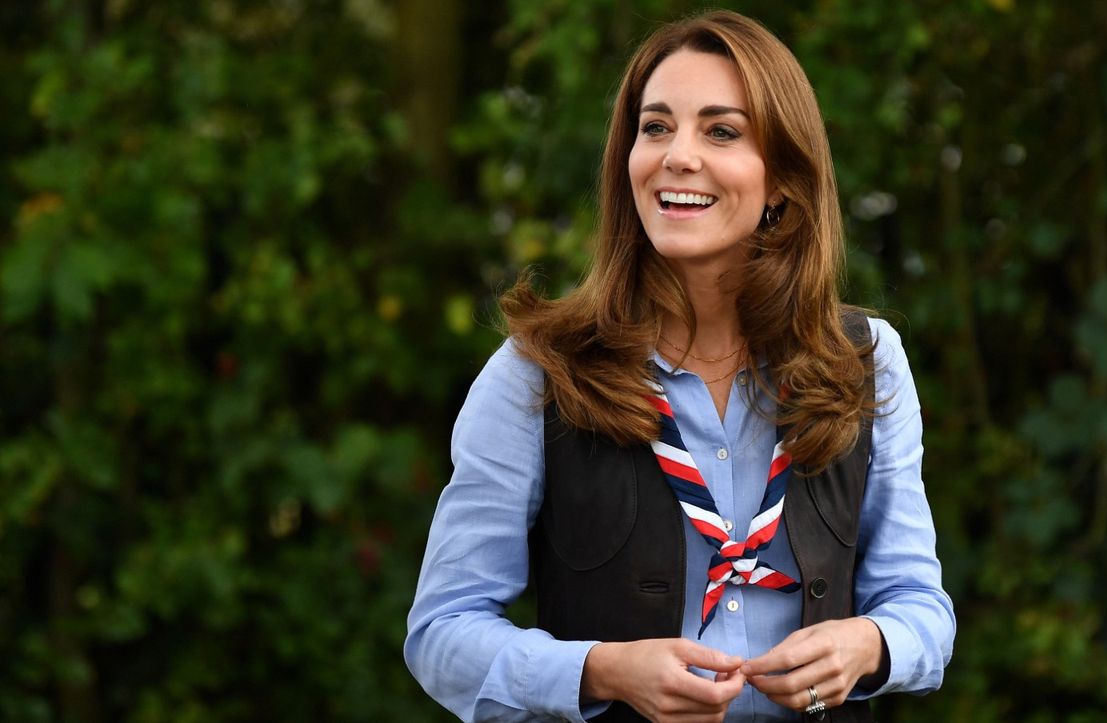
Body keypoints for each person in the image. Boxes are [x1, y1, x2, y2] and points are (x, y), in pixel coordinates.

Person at [405, 10, 954, 722]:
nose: (676, 155)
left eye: (720, 131)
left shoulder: (867, 360)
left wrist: (871, 643)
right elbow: (441, 631)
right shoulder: (536, 375)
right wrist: (599, 669)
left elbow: (922, 608)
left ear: (783, 180)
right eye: (656, 127)